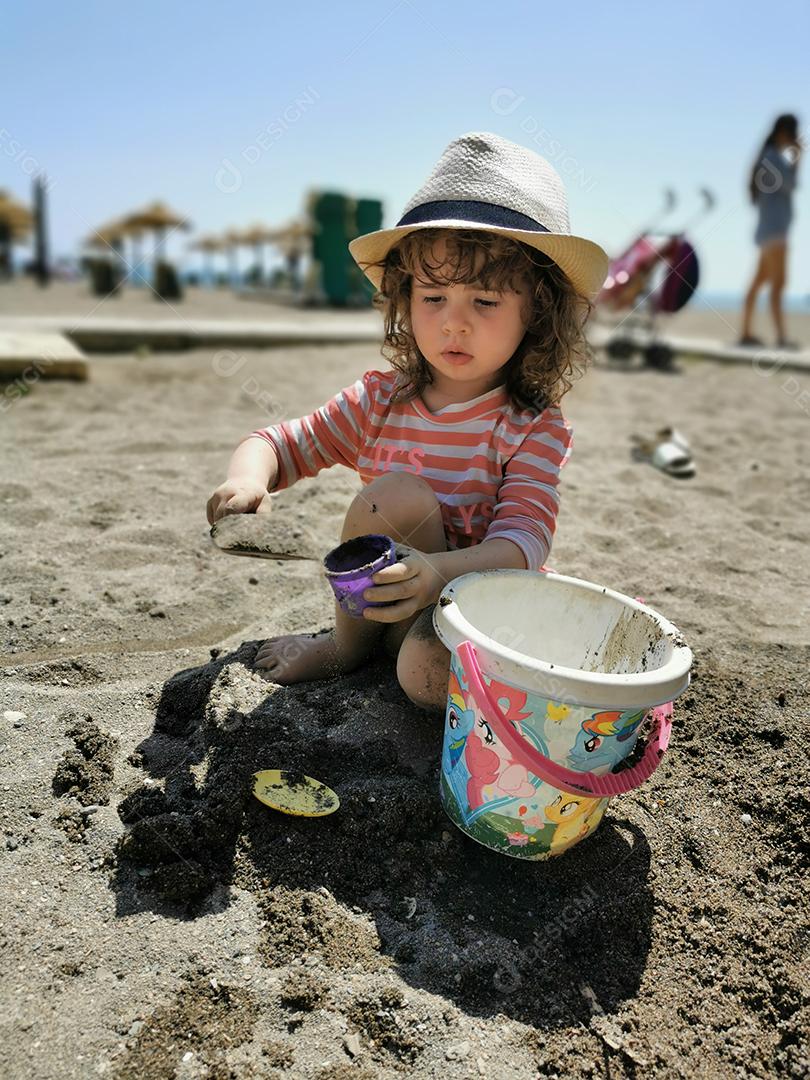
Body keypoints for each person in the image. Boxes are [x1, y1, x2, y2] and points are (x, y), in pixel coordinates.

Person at [206, 132, 608, 712]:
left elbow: (524, 542)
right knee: (395, 495)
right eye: (434, 297)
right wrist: (248, 479)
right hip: (378, 605)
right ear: (404, 296)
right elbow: (278, 442)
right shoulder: (380, 403)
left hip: (468, 606)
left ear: (537, 312)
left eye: (486, 302)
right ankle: (344, 649)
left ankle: (401, 656)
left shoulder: (529, 427)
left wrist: (436, 573)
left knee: (423, 676)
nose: (454, 324)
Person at [739, 113, 802, 349]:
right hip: (775, 232)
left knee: (759, 282)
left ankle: (746, 332)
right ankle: (782, 338)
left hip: (768, 231)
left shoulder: (767, 157)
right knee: (779, 284)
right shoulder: (773, 158)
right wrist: (798, 157)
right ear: (784, 133)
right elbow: (791, 184)